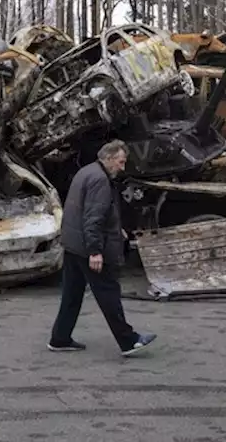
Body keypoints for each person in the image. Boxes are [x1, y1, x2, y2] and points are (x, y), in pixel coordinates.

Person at [48, 138, 157, 357]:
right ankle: (129, 341)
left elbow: (88, 212)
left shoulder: (86, 172)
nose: (122, 167)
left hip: (73, 244)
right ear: (108, 159)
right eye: (120, 162)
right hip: (88, 247)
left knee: (72, 294)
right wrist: (95, 251)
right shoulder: (100, 180)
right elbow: (93, 218)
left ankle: (59, 339)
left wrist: (118, 230)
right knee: (108, 293)